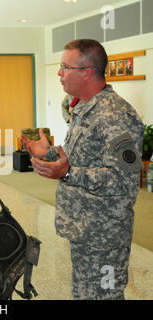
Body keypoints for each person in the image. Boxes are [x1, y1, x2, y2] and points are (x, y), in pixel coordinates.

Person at [21, 39, 144, 300]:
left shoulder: (116, 115)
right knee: (86, 294)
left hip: (105, 236)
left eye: (65, 67)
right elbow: (83, 159)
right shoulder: (87, 109)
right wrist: (51, 154)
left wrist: (66, 173)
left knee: (105, 295)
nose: (59, 73)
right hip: (84, 229)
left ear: (87, 72)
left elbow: (125, 180)